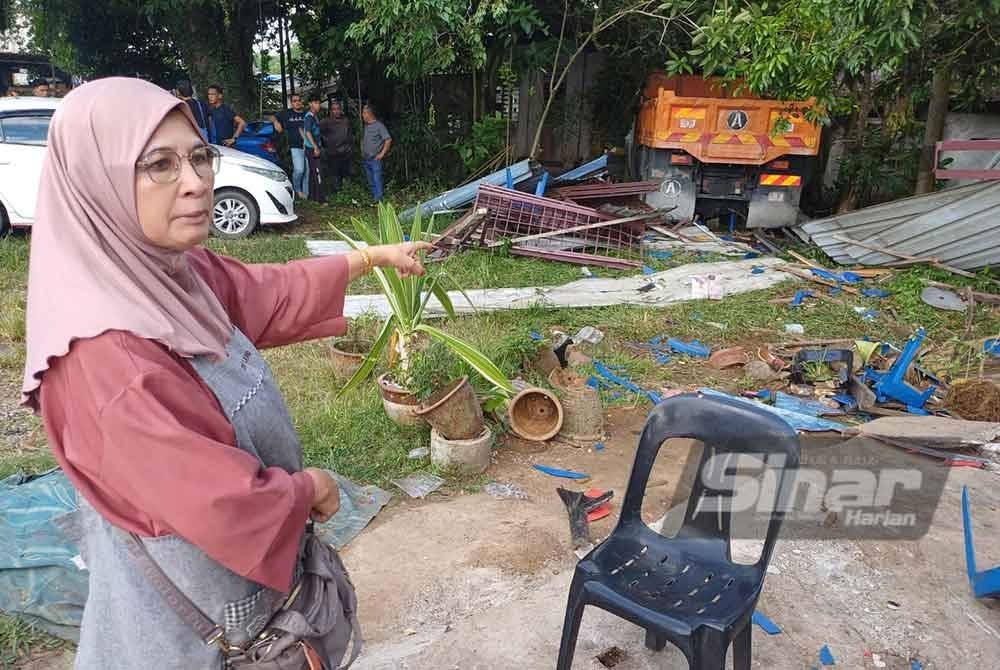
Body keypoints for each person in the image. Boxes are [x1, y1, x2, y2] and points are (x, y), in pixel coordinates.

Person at [22, 77, 431, 669]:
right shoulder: (105, 359)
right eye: (159, 165)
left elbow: (261, 289)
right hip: (187, 638)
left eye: (198, 156)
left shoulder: (169, 274)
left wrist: (372, 258)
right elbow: (217, 501)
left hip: (243, 603)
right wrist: (309, 488)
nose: (195, 182)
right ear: (95, 183)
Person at [271, 93, 308, 199]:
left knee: (307, 171)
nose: (297, 102)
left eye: (299, 100)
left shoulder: (306, 113)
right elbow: (272, 117)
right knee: (299, 170)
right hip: (295, 146)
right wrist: (276, 122)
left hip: (308, 145)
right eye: (294, 101)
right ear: (291, 103)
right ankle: (297, 189)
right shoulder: (287, 113)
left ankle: (306, 193)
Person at [319, 100, 352, 193]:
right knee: (335, 175)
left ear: (341, 110)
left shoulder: (345, 121)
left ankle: (347, 192)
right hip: (333, 153)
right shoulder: (325, 122)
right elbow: (317, 132)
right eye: (334, 109)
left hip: (345, 152)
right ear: (330, 111)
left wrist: (350, 147)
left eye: (338, 109)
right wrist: (326, 142)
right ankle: (338, 193)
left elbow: (349, 134)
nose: (336, 111)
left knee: (346, 174)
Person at [361, 103, 391, 203]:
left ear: (369, 114)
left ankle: (379, 200)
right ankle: (375, 198)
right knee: (371, 180)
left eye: (364, 113)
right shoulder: (366, 126)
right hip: (366, 159)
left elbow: (388, 139)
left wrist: (382, 154)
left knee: (377, 179)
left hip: (375, 159)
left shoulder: (379, 126)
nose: (362, 115)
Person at [302, 93, 324, 203]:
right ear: (310, 104)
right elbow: (308, 132)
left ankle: (313, 197)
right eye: (315, 103)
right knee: (318, 172)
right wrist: (315, 147)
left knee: (313, 173)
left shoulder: (314, 116)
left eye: (319, 103)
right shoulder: (309, 117)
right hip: (312, 149)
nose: (318, 105)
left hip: (314, 147)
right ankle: (320, 199)